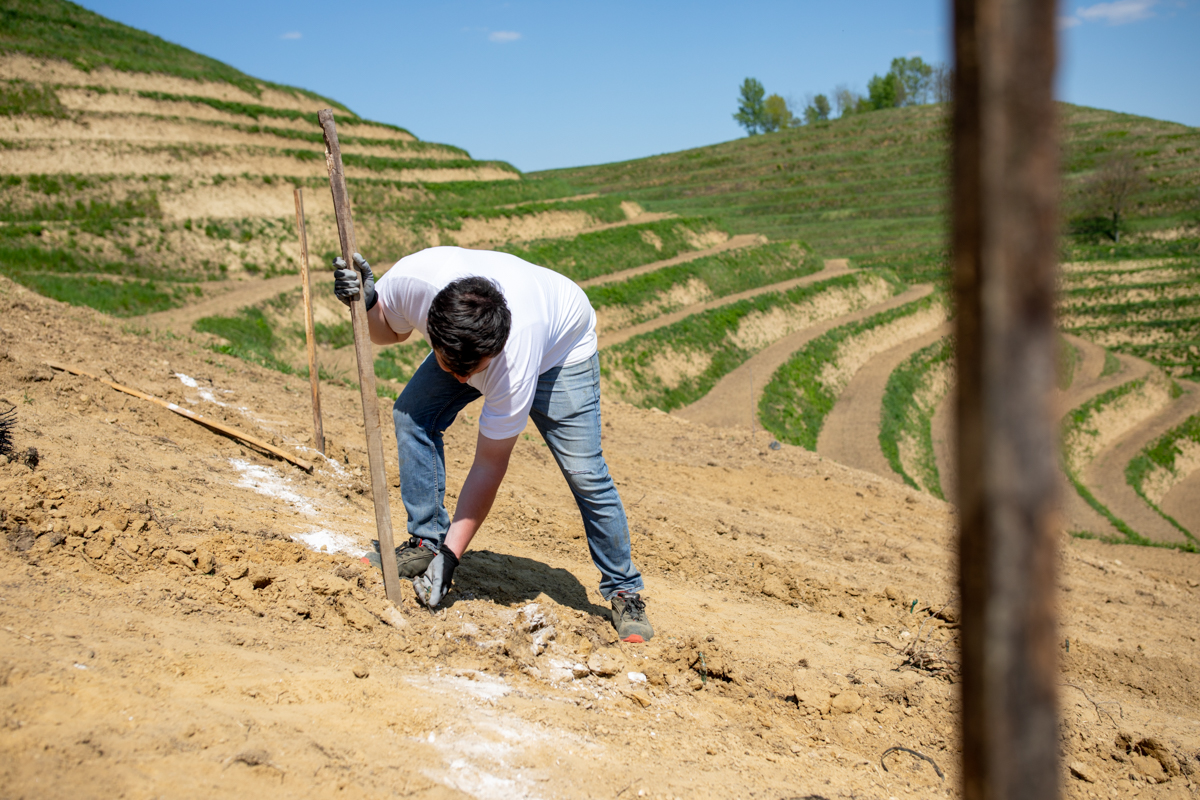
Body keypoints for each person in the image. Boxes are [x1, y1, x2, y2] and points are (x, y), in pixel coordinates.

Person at [333, 246, 653, 643]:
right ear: (435, 329)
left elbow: (489, 465)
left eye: (474, 371)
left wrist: (454, 557)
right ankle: (425, 542)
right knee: (413, 415)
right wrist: (366, 305)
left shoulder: (514, 359)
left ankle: (624, 589)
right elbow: (389, 331)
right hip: (474, 336)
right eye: (451, 367)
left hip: (561, 349)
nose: (462, 379)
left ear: (494, 350)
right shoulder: (412, 283)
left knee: (584, 472)